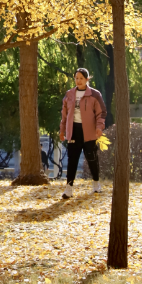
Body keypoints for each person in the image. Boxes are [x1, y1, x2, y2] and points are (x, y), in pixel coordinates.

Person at [59, 68, 106, 199]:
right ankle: (68, 188)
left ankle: (96, 183)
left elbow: (101, 113)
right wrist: (62, 130)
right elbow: (64, 114)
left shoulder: (95, 94)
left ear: (87, 79)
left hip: (89, 132)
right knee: (72, 160)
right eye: (76, 78)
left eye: (81, 78)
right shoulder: (69, 94)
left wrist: (99, 127)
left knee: (92, 158)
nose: (78, 81)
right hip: (74, 131)